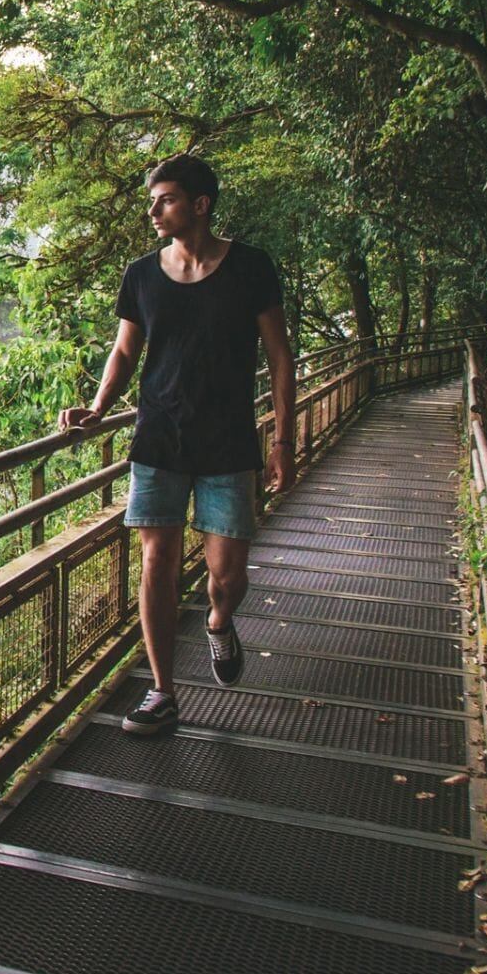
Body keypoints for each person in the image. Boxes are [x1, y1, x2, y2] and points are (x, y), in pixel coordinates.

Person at [58, 153, 296, 735]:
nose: (154, 211)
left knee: (226, 573)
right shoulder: (141, 276)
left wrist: (284, 441)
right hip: (159, 437)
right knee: (155, 561)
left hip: (228, 442)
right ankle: (162, 692)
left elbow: (281, 358)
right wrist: (97, 408)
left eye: (164, 199)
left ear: (200, 205)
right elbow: (124, 351)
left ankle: (218, 622)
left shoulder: (251, 268)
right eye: (153, 200)